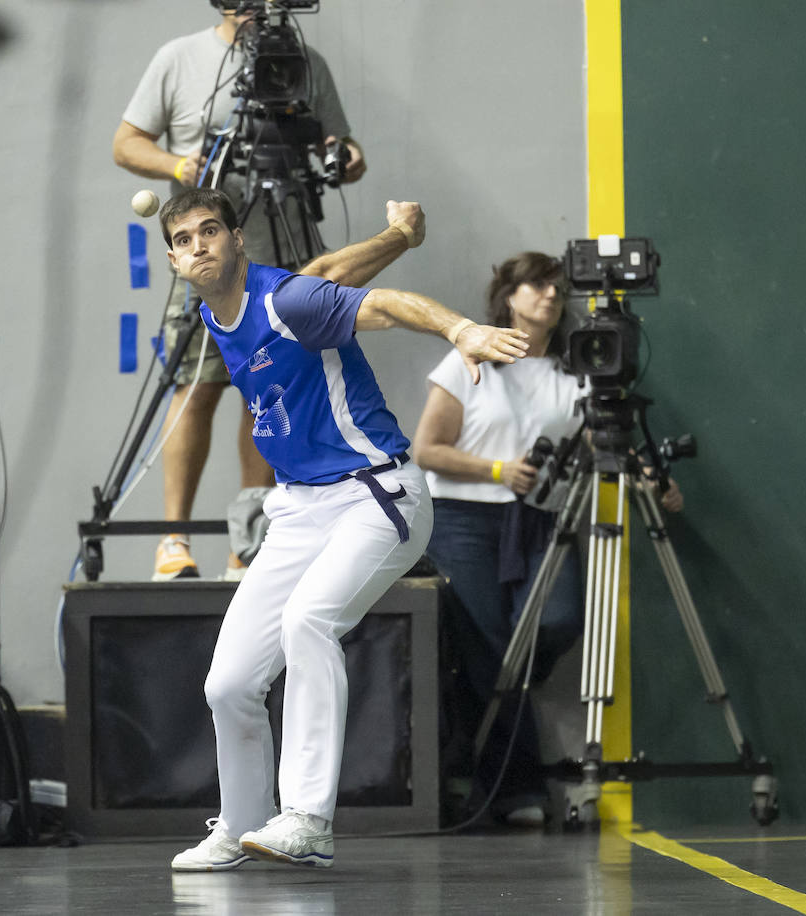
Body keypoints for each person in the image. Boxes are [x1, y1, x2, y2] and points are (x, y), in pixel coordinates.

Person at [157, 188, 529, 870]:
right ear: (177, 261)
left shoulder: (283, 301)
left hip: (376, 493)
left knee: (307, 623)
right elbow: (330, 269)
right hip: (298, 509)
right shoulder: (219, 316)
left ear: (240, 240)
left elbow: (378, 304)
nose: (198, 244)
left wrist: (458, 330)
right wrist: (397, 237)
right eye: (183, 239)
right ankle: (241, 823)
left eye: (210, 230)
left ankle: (307, 819)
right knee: (230, 683)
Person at [413, 251, 683, 827]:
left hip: (541, 518)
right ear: (508, 296)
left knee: (556, 620)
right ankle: (516, 793)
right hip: (464, 518)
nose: (551, 295)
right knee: (488, 652)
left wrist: (655, 478)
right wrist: (496, 470)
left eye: (558, 288)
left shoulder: (579, 367)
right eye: (537, 285)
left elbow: (604, 438)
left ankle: (496, 722)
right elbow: (426, 450)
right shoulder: (470, 360)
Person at [114, 2, 367, 581]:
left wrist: (346, 156)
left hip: (288, 255)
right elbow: (125, 144)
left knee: (271, 395)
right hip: (208, 262)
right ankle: (172, 542)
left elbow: (339, 144)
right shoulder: (179, 59)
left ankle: (249, 542)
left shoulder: (305, 62)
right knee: (195, 389)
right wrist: (180, 167)